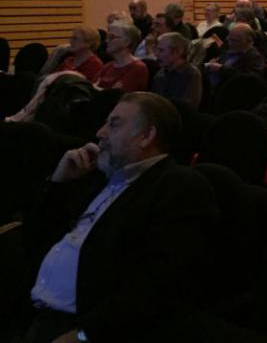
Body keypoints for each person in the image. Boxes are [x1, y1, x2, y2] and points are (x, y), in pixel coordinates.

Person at [25, 92, 217, 343]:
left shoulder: (179, 187)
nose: (100, 132)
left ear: (146, 136)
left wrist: (84, 335)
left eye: (114, 124)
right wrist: (59, 184)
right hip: (33, 311)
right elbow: (37, 237)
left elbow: (159, 286)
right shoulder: (99, 176)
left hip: (78, 329)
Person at [151, 32, 202, 110]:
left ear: (178, 52)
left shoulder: (191, 74)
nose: (156, 54)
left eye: (161, 50)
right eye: (157, 50)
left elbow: (188, 106)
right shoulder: (160, 73)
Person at [94, 24, 149, 92]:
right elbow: (91, 89)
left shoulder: (138, 68)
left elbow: (119, 95)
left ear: (127, 42)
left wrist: (98, 89)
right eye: (107, 37)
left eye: (112, 37)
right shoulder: (107, 67)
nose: (107, 41)